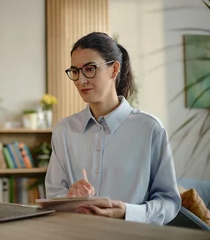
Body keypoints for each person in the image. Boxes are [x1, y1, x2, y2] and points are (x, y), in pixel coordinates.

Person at [44, 32, 181, 225]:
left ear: (114, 69)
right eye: (75, 71)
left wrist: (128, 212)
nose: (81, 80)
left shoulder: (150, 129)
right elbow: (54, 198)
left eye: (90, 69)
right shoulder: (64, 130)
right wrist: (69, 198)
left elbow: (169, 202)